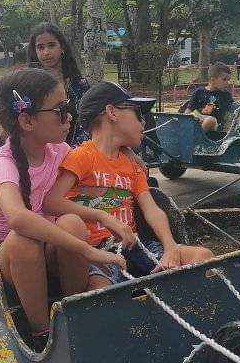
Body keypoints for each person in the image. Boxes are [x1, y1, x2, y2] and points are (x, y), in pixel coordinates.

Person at [0, 68, 128, 352]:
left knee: (72, 222)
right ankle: (41, 332)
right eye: (61, 108)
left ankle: (74, 314)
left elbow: (97, 158)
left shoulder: (59, 151)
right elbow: (19, 219)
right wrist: (87, 251)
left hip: (50, 249)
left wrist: (128, 153)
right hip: (13, 260)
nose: (70, 115)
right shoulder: (4, 164)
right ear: (27, 120)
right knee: (23, 239)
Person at [45, 81, 213, 281]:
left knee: (203, 256)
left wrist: (170, 247)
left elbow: (151, 210)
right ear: (112, 113)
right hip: (96, 250)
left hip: (134, 246)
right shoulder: (82, 156)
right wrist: (101, 216)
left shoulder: (132, 165)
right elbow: (52, 201)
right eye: (138, 114)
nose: (143, 123)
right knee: (100, 288)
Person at [28, 23, 90, 145]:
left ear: (62, 48)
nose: (46, 52)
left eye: (51, 45)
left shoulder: (79, 86)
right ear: (35, 51)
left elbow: (89, 125)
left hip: (77, 154)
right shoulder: (29, 87)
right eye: (40, 47)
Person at [183, 62, 235, 133]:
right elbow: (188, 111)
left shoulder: (226, 95)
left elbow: (231, 114)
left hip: (215, 127)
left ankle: (195, 140)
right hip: (197, 121)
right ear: (213, 80)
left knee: (210, 120)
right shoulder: (199, 92)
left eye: (228, 80)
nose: (228, 83)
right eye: (224, 79)